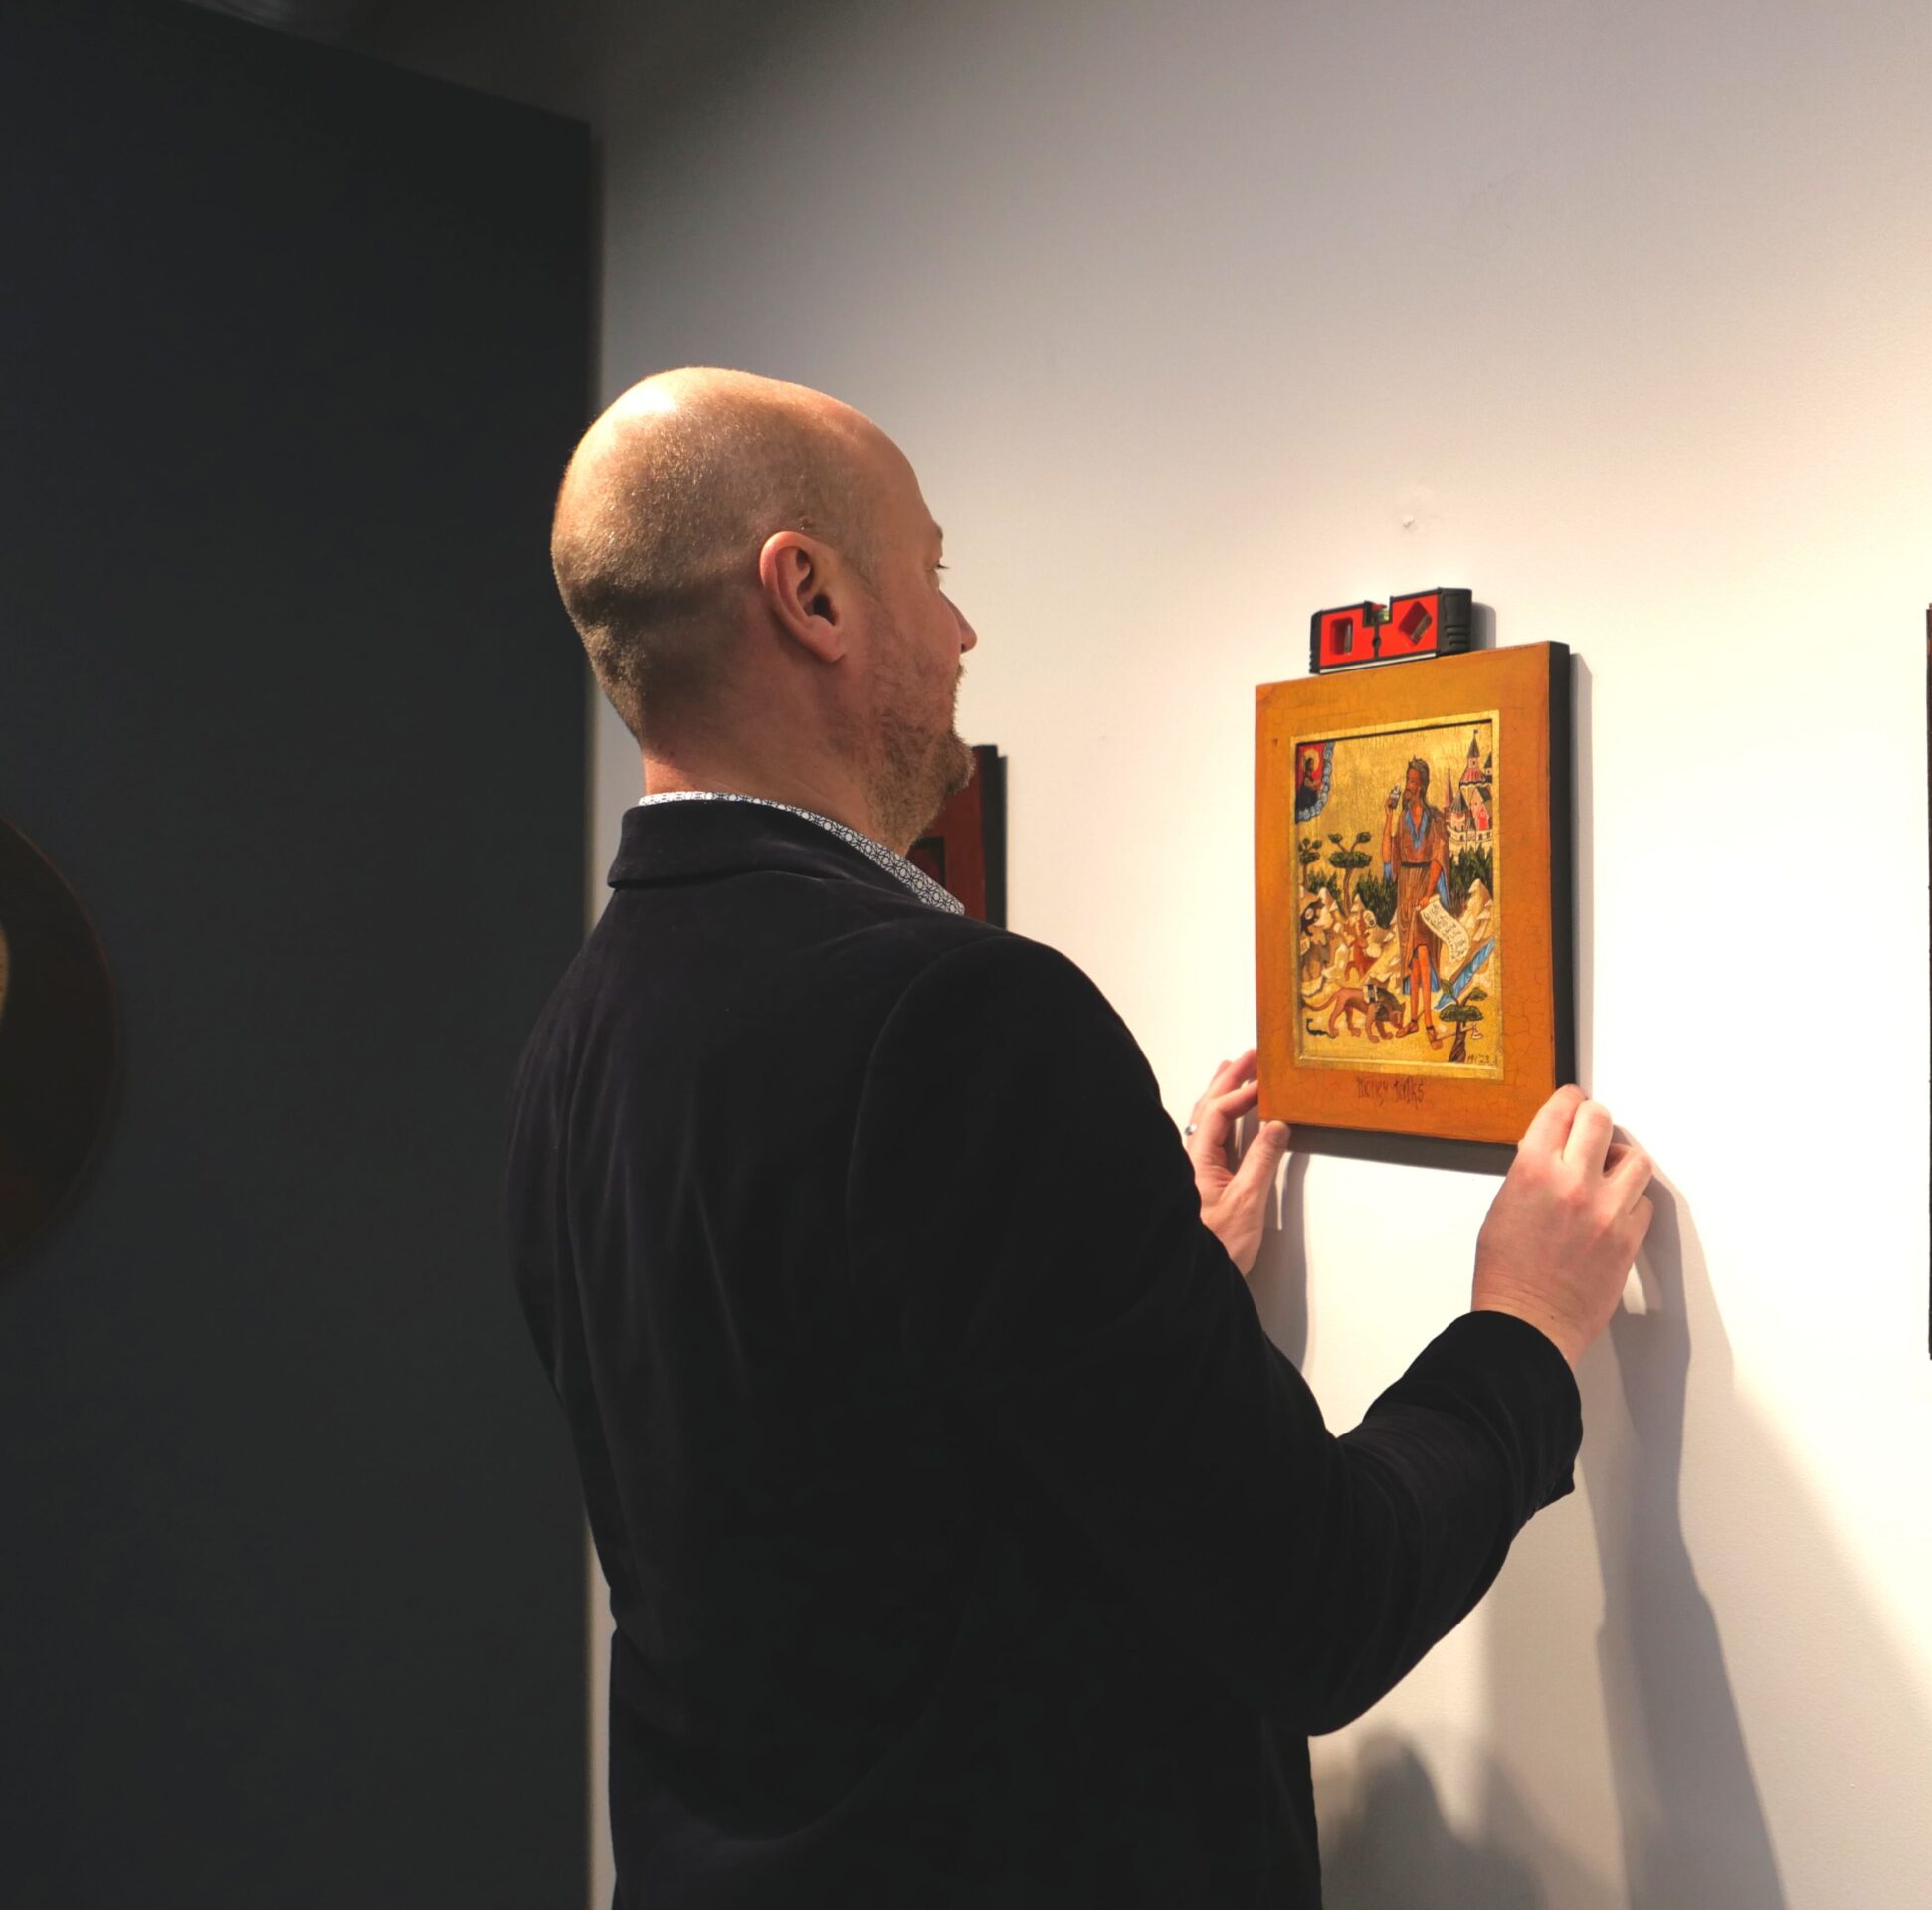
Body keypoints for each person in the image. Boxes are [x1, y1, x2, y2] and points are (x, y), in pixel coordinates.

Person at [506, 368, 1654, 1907]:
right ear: (812, 596)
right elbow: (1318, 1602)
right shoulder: (957, 1018)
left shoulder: (581, 1028)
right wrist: (1525, 1327)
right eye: (933, 572)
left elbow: (843, 1458)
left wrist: (1154, 1275)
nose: (964, 632)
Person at [1382, 758, 1451, 1047]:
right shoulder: (1402, 819)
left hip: (1425, 888)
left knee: (1423, 954)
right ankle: (1413, 1020)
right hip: (1406, 892)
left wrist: (1428, 892)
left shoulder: (1434, 818)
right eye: (1407, 781)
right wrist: (1388, 816)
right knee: (1410, 960)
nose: (1408, 786)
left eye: (1412, 781)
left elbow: (1438, 855)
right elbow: (1390, 857)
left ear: (1421, 785)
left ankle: (1428, 1022)